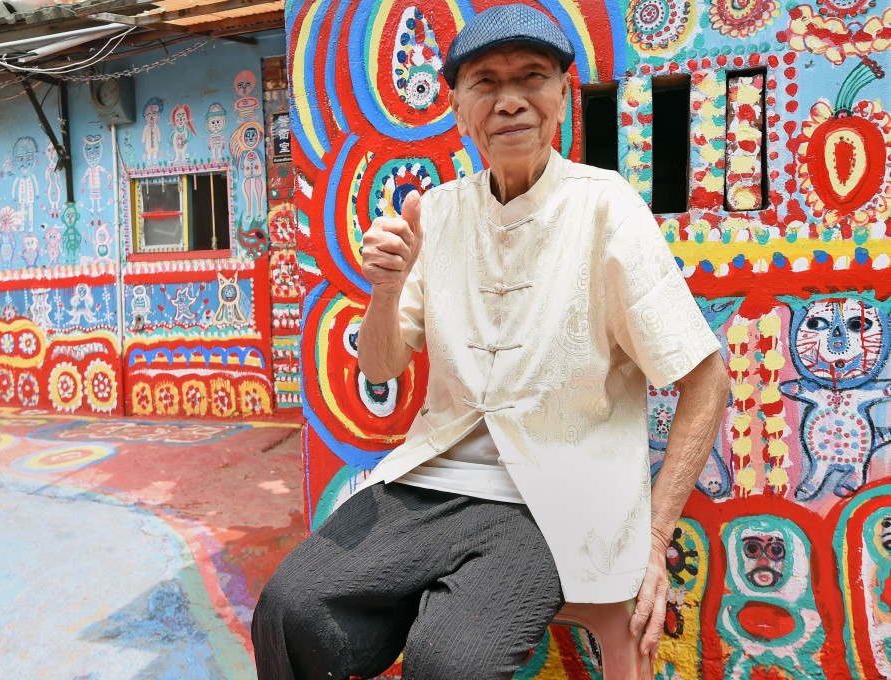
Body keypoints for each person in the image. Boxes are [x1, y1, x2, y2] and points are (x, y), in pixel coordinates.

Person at [252, 5, 730, 679]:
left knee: (450, 661)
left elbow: (706, 380)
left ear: (562, 95)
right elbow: (382, 365)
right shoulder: (438, 212)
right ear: (457, 106)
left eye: (531, 77)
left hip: (556, 497)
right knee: (290, 606)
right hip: (431, 480)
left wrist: (654, 536)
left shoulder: (606, 206)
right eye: (485, 83)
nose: (510, 101)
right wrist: (384, 291)